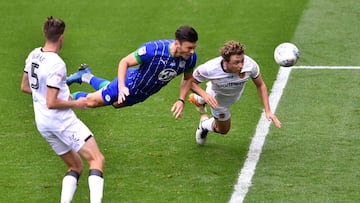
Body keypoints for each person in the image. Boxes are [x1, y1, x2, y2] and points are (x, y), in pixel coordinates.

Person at [20, 16, 104, 203]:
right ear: (62, 37)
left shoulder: (34, 54)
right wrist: (76, 103)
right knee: (97, 159)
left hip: (43, 123)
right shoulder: (57, 63)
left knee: (75, 166)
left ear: (45, 34)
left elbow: (25, 87)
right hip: (60, 121)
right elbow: (52, 102)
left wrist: (43, 95)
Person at [66, 25, 198, 119]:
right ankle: (64, 98)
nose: (192, 51)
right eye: (189, 48)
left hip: (142, 94)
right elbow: (124, 62)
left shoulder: (190, 58)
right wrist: (122, 87)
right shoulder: (153, 50)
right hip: (129, 84)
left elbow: (187, 79)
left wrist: (181, 100)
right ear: (177, 43)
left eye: (194, 48)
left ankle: (85, 75)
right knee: (92, 102)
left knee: (115, 104)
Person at [189, 40, 281, 145]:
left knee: (206, 95)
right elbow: (190, 83)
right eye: (236, 62)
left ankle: (199, 100)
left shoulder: (250, 65)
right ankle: (204, 124)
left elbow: (260, 85)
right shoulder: (209, 68)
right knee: (223, 130)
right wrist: (205, 95)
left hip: (232, 95)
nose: (241, 65)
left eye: (242, 60)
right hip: (218, 101)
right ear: (225, 61)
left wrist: (268, 110)